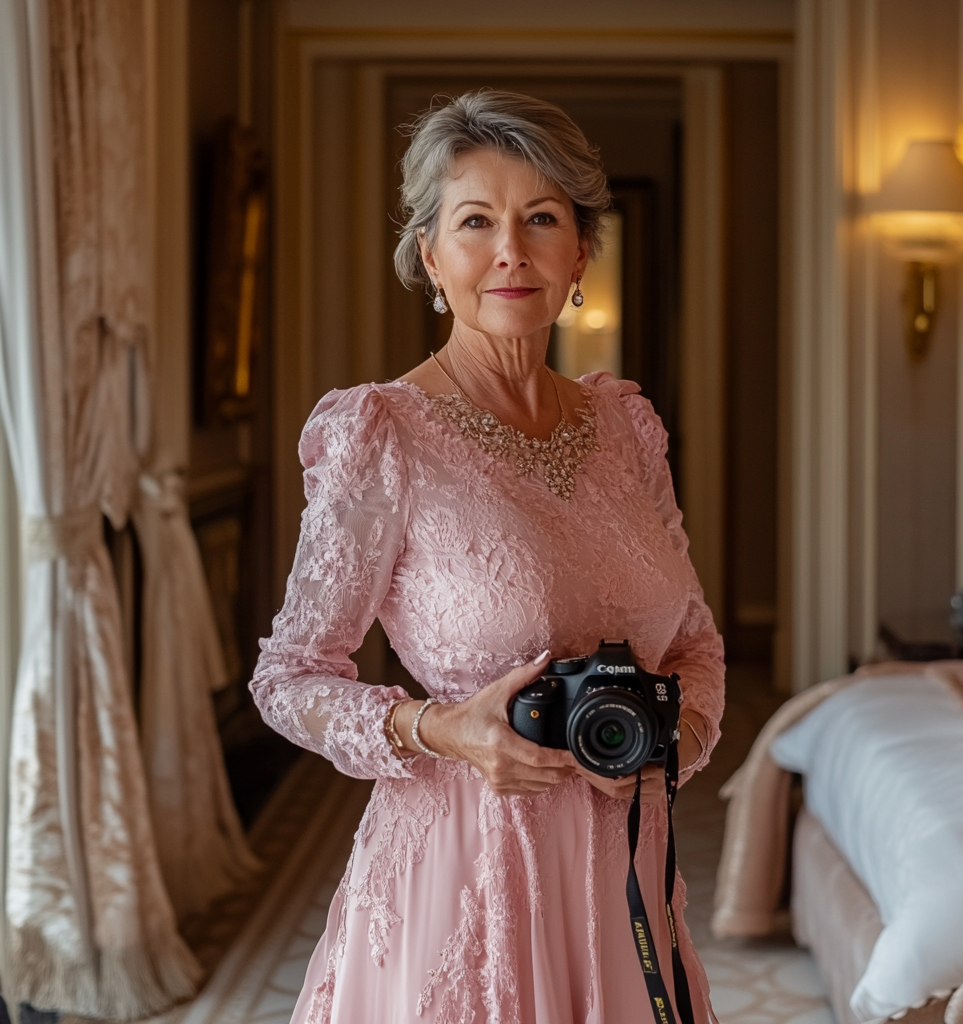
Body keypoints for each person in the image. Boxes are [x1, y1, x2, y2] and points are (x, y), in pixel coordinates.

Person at [250, 89, 725, 1024]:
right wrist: (440, 731)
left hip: (626, 879)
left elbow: (698, 645)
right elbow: (288, 677)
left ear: (581, 251)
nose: (510, 249)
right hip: (465, 875)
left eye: (541, 218)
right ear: (431, 255)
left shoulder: (627, 429)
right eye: (476, 221)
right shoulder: (380, 434)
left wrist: (679, 743)